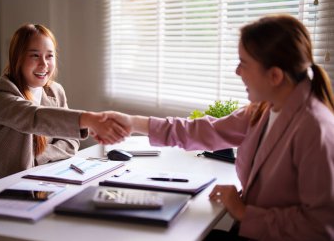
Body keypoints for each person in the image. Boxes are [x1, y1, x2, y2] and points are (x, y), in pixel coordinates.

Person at [98, 15, 334, 241]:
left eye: (243, 63)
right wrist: (132, 123)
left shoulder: (315, 129)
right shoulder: (264, 109)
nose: (237, 71)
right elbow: (203, 130)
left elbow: (320, 228)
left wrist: (243, 212)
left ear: (274, 76)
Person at [0, 24, 128, 194]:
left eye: (49, 56)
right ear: (18, 58)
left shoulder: (55, 91)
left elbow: (70, 142)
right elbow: (33, 117)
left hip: (27, 184)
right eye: (35, 56)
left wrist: (37, 158)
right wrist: (88, 119)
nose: (44, 64)